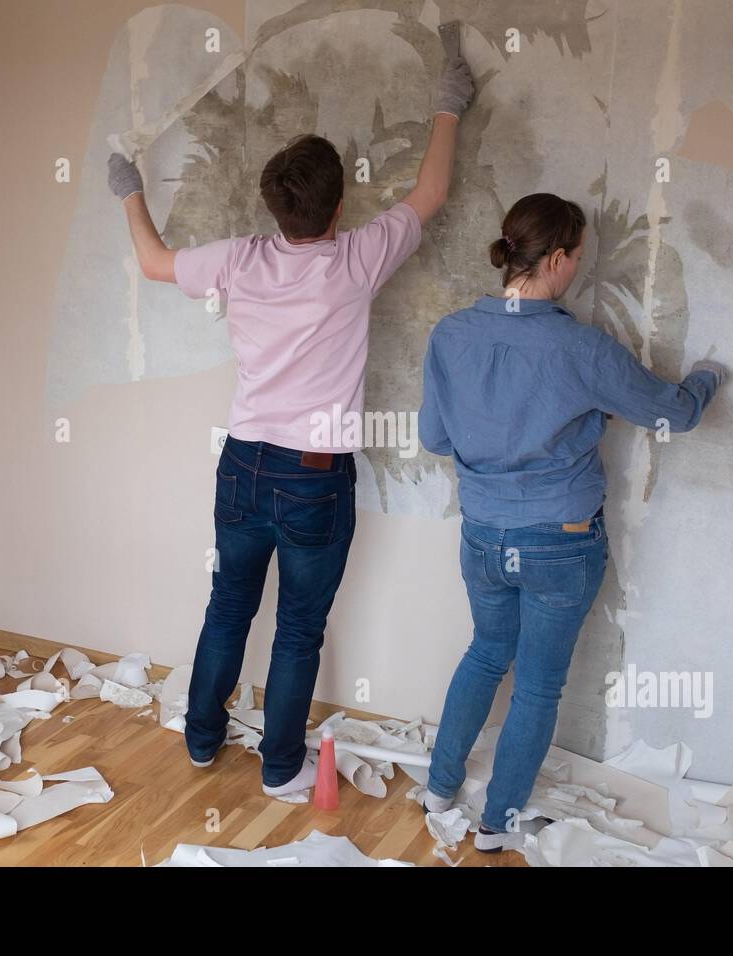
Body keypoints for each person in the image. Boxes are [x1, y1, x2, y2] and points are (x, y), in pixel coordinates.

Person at [108, 58, 476, 797]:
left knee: (228, 607)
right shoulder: (358, 261)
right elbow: (430, 193)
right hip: (312, 479)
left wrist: (128, 187)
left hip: (241, 466)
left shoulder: (239, 261)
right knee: (298, 628)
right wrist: (448, 104)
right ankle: (280, 769)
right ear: (339, 209)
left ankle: (203, 741)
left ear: (277, 209)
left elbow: (151, 262)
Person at [416, 192, 725, 851]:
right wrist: (705, 376)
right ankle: (497, 824)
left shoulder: (451, 334)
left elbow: (436, 440)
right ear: (556, 259)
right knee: (537, 682)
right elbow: (675, 413)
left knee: (484, 652)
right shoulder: (580, 348)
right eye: (578, 258)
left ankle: (438, 789)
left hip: (483, 535)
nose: (578, 269)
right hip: (560, 542)